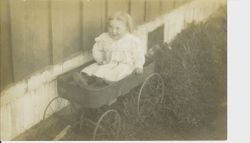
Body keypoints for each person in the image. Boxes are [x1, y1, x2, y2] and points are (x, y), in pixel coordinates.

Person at [73, 11, 145, 87]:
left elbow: (139, 55)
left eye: (118, 28)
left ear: (126, 28)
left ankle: (103, 82)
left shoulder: (132, 41)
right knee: (96, 68)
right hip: (108, 63)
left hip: (124, 66)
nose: (113, 31)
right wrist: (99, 59)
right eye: (110, 27)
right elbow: (97, 49)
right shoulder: (105, 38)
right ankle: (85, 79)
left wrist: (138, 66)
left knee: (117, 74)